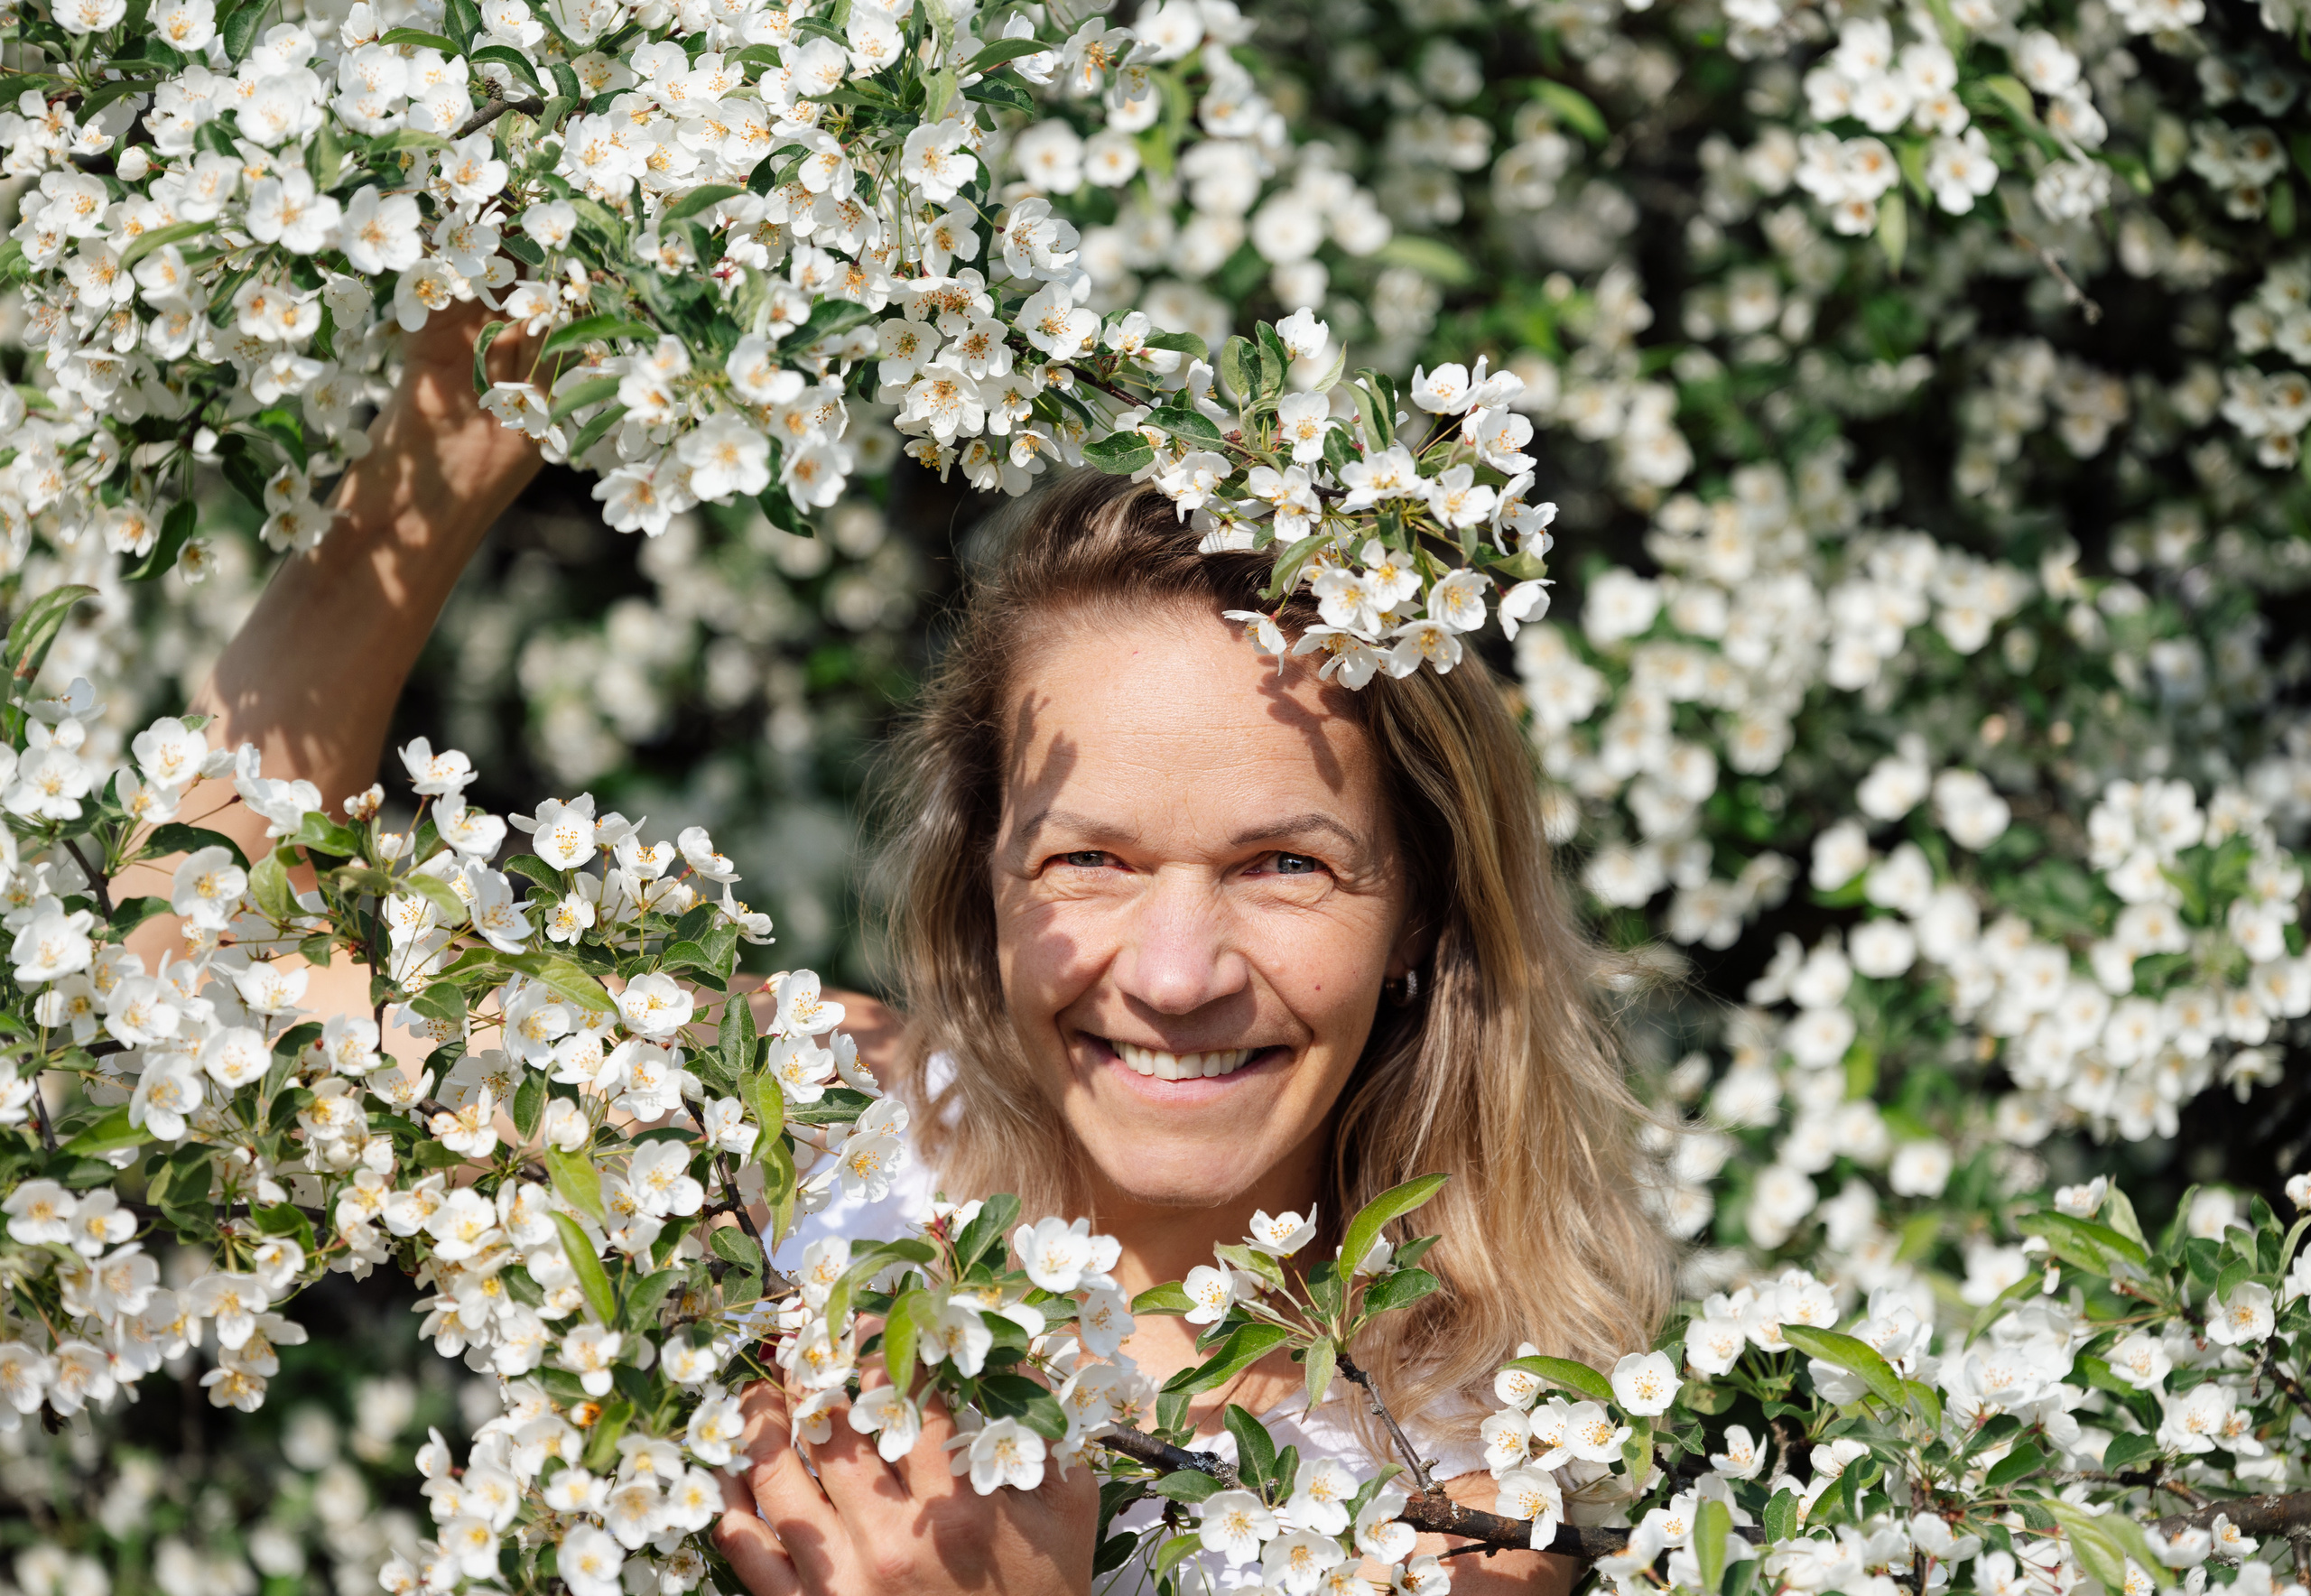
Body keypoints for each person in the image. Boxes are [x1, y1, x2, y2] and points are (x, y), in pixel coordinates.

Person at [165, 306, 1675, 1596]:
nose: (1176, 975)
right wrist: (436, 458)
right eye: (1089, 859)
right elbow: (187, 966)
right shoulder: (793, 1124)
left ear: (1424, 907)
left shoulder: (1465, 1502)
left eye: (1287, 866)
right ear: (985, 879)